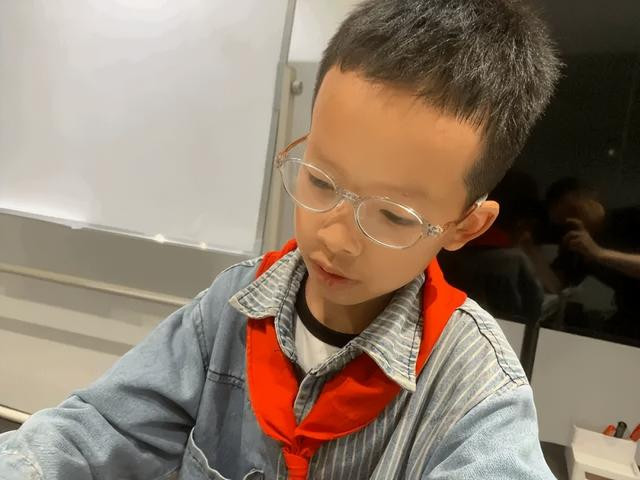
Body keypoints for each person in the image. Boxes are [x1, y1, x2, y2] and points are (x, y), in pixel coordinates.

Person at [0, 0, 561, 478]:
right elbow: (95, 431)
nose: (336, 238)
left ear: (465, 226)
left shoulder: (474, 392)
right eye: (320, 181)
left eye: (392, 216)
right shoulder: (231, 309)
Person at [545, 177, 640, 339]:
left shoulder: (632, 219)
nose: (575, 220)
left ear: (592, 196)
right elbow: (556, 284)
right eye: (564, 219)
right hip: (628, 318)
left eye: (574, 211)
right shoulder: (577, 239)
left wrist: (598, 253)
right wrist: (529, 251)